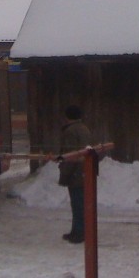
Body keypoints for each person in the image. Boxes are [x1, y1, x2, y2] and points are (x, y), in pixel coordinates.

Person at [58, 105, 92, 244]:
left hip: (76, 173)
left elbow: (70, 156)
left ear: (67, 117)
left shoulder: (70, 131)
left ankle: (79, 232)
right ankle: (80, 231)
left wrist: (64, 174)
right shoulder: (84, 128)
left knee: (77, 204)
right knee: (82, 203)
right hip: (85, 170)